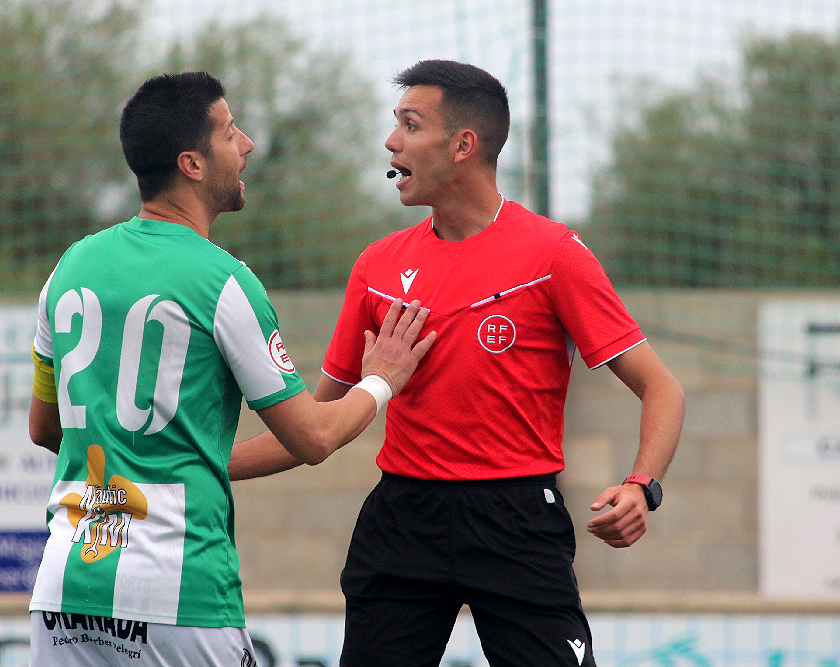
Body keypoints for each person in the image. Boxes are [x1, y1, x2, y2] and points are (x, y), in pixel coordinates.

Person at [229, 60, 685, 667]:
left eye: (410, 125)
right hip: (403, 520)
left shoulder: (553, 254)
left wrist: (642, 486)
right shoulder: (377, 266)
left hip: (517, 522)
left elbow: (662, 388)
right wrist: (195, 465)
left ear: (463, 145)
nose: (391, 141)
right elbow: (314, 427)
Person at [25, 71, 436, 667]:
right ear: (192, 164)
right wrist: (382, 379)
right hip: (177, 591)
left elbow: (45, 428)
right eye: (230, 132)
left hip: (65, 590)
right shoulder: (223, 281)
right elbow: (314, 437)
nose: (246, 145)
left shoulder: (70, 267)